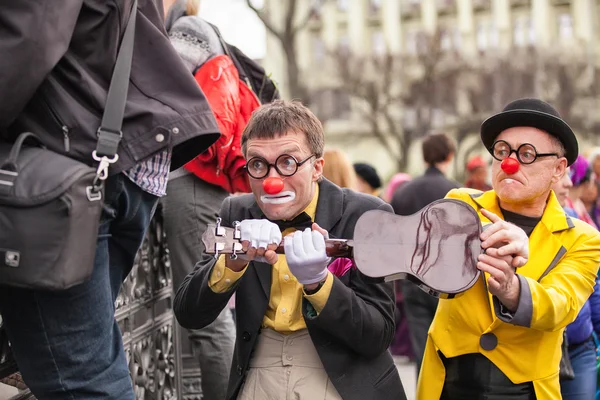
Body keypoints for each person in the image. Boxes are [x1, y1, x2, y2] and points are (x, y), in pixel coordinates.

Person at [0, 2, 220, 399]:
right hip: (116, 159)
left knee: (80, 378)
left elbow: (30, 38)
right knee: (85, 366)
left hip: (72, 172)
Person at [174, 100, 406, 400]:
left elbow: (378, 335)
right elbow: (189, 313)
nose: (272, 181)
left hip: (342, 371)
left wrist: (320, 284)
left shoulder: (367, 214)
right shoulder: (238, 210)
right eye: (258, 164)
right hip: (260, 368)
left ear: (317, 168)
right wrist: (233, 262)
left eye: (288, 162)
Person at [418, 98, 600, 400]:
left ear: (558, 169)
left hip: (525, 391)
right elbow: (429, 266)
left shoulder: (583, 239)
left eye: (527, 154)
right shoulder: (461, 203)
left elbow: (559, 306)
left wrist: (512, 287)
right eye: (502, 151)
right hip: (448, 384)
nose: (509, 163)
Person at [160, 1, 251, 398]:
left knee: (205, 313)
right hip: (199, 180)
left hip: (193, 181)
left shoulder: (188, 28)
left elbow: (156, 94)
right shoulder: (195, 28)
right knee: (207, 309)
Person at [390, 132, 460, 374]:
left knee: (423, 350)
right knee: (452, 351)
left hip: (414, 277)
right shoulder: (458, 193)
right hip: (452, 281)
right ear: (449, 156)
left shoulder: (403, 193)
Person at [552, 168, 600, 400]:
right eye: (561, 175)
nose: (569, 183)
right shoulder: (506, 225)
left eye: (569, 174)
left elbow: (594, 288)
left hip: (579, 347)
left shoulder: (573, 220)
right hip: (535, 349)